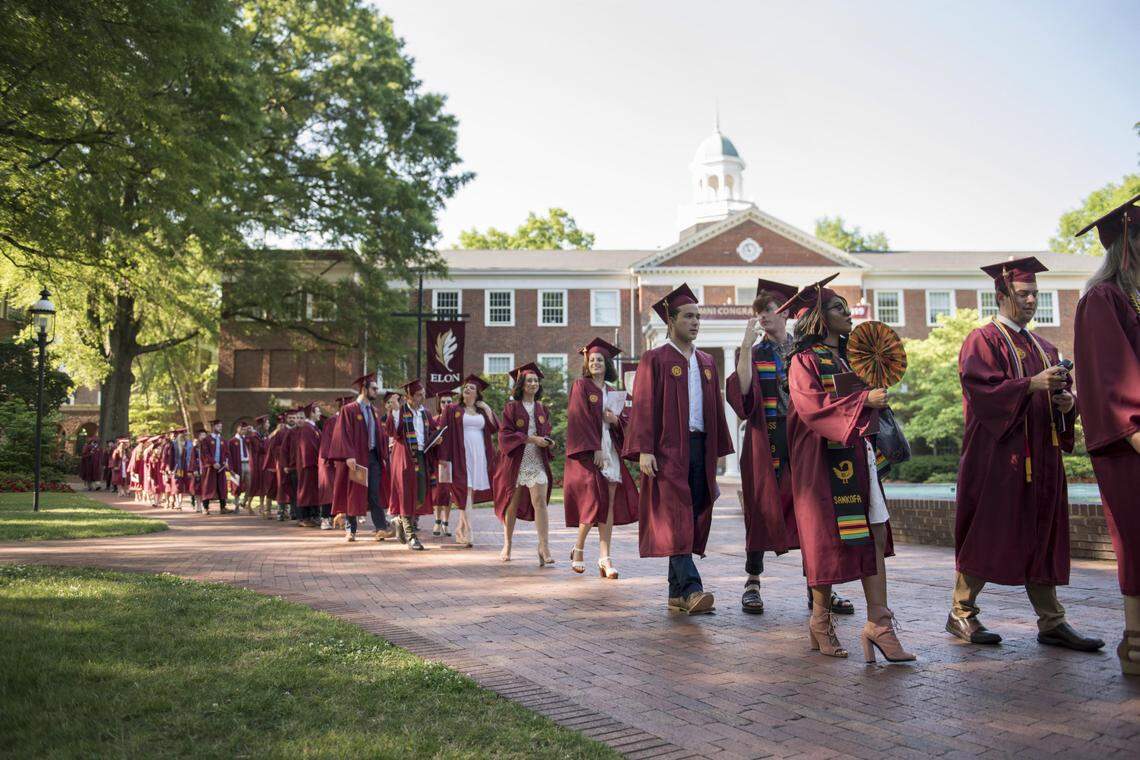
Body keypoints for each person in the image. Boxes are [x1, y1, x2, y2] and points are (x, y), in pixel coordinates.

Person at [948, 256, 1102, 653]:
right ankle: (961, 611)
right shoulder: (982, 340)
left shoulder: (1044, 346)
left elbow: (1057, 400)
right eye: (1024, 293)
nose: (1032, 300)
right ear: (1001, 296)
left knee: (1043, 535)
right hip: (1001, 460)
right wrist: (1030, 384)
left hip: (1044, 459)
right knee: (991, 530)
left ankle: (1052, 621)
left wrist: (1068, 404)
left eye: (1035, 293)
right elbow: (981, 393)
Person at [781, 275, 914, 662]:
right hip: (823, 464)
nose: (847, 313)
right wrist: (863, 401)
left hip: (861, 457)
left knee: (873, 535)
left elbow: (869, 405)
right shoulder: (803, 362)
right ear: (818, 318)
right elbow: (810, 409)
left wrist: (876, 399)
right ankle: (820, 620)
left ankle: (880, 625)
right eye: (838, 308)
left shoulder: (852, 360)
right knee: (828, 541)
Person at [622, 284, 733, 614]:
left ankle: (675, 593)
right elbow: (642, 406)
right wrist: (644, 448)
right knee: (675, 514)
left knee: (695, 507)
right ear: (671, 321)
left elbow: (715, 406)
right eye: (688, 316)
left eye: (698, 317)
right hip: (668, 448)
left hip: (700, 445)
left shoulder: (707, 361)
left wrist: (718, 448)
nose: (695, 322)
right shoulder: (655, 358)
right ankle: (692, 588)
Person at [1073, 198, 1140, 675]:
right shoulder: (1103, 299)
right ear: (1127, 246)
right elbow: (1115, 383)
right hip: (1128, 446)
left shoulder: (1132, 298)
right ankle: (1135, 642)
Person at [564, 338, 638, 579]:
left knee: (609, 504)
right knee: (593, 502)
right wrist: (594, 447)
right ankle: (579, 548)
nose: (596, 363)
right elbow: (579, 418)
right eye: (592, 360)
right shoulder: (581, 386)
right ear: (587, 363)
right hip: (591, 451)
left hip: (610, 449)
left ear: (607, 364)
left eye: (600, 360)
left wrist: (616, 421)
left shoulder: (613, 391)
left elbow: (625, 419)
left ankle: (605, 558)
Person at [494, 363, 556, 565]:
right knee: (512, 504)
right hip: (517, 461)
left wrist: (547, 441)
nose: (533, 383)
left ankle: (543, 546)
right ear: (521, 384)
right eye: (529, 380)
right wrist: (531, 440)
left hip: (537, 460)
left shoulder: (542, 409)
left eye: (536, 380)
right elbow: (504, 435)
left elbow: (546, 431)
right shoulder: (511, 408)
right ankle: (508, 543)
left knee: (540, 502)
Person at [325, 373, 395, 542]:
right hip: (356, 459)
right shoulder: (349, 410)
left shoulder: (374, 411)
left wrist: (383, 454)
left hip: (372, 457)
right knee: (354, 493)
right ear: (364, 389)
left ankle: (380, 528)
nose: (377, 391)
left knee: (374, 493)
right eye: (374, 388)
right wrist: (348, 455)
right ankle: (351, 529)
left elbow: (379, 434)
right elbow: (343, 434)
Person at [436, 375, 498, 547]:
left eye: (471, 388)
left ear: (477, 393)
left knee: (469, 493)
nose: (467, 389)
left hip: (479, 455)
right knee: (465, 490)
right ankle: (469, 530)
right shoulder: (451, 409)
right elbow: (444, 434)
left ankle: (459, 529)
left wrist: (486, 407)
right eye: (465, 387)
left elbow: (494, 427)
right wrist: (443, 458)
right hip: (460, 455)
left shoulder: (480, 412)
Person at [387, 380, 440, 550]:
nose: (422, 397)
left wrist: (437, 438)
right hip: (404, 456)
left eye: (423, 394)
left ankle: (400, 520)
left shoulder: (425, 413)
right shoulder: (401, 411)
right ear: (408, 396)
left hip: (421, 456)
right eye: (418, 395)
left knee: (420, 493)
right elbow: (393, 432)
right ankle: (411, 536)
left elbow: (431, 430)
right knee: (405, 493)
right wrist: (395, 410)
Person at [291, 403, 323, 528]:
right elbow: (308, 448)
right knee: (305, 491)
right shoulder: (307, 428)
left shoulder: (313, 428)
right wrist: (315, 462)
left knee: (311, 492)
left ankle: (311, 516)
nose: (320, 413)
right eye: (318, 411)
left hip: (312, 465)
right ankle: (303, 517)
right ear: (312, 413)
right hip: (308, 465)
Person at [431, 391, 456, 537]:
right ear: (439, 405)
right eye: (443, 402)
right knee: (438, 493)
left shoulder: (457, 421)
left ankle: (446, 523)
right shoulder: (435, 421)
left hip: (452, 461)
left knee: (449, 493)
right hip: (439, 461)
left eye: (449, 402)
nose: (446, 404)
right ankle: (437, 521)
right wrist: (435, 442)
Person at [199, 419, 230, 515]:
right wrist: (213, 463)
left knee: (222, 486)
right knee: (208, 486)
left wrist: (225, 461)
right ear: (213, 427)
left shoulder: (223, 440)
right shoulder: (206, 440)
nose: (220, 428)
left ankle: (223, 507)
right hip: (209, 467)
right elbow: (205, 453)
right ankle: (205, 507)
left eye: (221, 426)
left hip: (220, 467)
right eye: (218, 426)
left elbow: (226, 453)